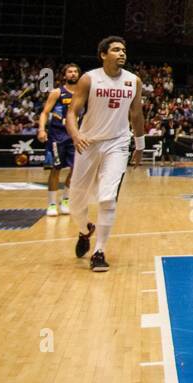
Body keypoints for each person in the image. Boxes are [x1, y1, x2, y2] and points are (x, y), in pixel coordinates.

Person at [66, 37, 145, 273]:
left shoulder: (134, 81)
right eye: (116, 50)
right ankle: (84, 229)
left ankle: (99, 251)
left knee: (107, 197)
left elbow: (137, 115)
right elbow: (72, 112)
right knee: (76, 201)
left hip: (118, 144)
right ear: (103, 54)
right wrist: (76, 135)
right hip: (88, 142)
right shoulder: (89, 78)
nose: (122, 53)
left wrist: (139, 146)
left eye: (124, 50)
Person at [36, 62, 80, 217]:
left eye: (75, 71)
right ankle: (52, 204)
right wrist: (42, 129)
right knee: (56, 169)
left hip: (75, 135)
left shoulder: (83, 93)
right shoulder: (57, 92)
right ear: (65, 75)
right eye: (70, 71)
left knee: (76, 170)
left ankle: (65, 200)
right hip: (57, 135)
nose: (73, 74)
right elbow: (44, 112)